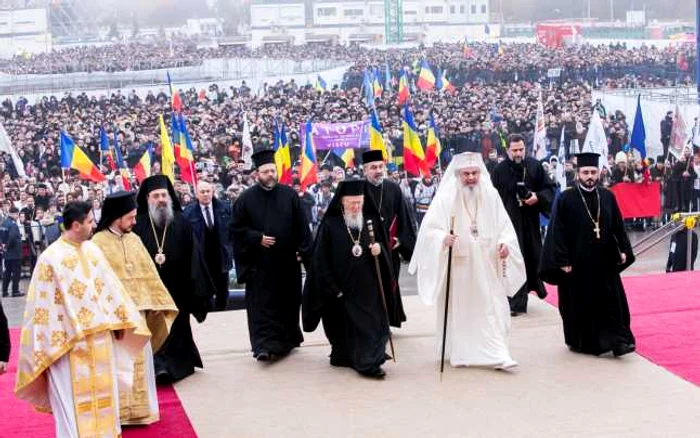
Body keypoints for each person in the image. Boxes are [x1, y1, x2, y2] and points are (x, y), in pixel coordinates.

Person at [14, 201, 150, 438]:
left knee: (106, 403)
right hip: (68, 347)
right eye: (89, 222)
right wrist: (57, 340)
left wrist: (120, 322)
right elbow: (42, 309)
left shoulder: (92, 250)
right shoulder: (50, 259)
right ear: (76, 225)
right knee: (73, 409)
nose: (93, 225)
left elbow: (110, 290)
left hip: (101, 343)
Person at [408, 152, 526, 370]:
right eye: (466, 174)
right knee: (462, 311)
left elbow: (505, 228)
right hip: (459, 268)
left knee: (491, 309)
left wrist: (504, 244)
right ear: (458, 175)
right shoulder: (446, 198)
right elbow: (429, 230)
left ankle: (498, 352)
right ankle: (461, 353)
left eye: (475, 173)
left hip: (487, 265)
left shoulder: (491, 196)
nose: (471, 177)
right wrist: (443, 238)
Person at [92, 191, 179, 425]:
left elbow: (149, 276)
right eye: (130, 217)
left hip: (138, 315)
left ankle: (140, 412)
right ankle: (118, 414)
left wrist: (157, 303)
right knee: (117, 364)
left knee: (139, 363)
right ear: (116, 217)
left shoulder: (135, 240)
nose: (134, 221)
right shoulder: (96, 244)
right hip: (113, 319)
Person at [539, 153, 636, 357]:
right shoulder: (566, 198)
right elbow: (557, 232)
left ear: (599, 173)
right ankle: (585, 342)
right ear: (578, 174)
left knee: (613, 303)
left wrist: (624, 250)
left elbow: (618, 227)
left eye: (593, 172)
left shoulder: (607, 196)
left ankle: (619, 341)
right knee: (582, 307)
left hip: (604, 263)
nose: (590, 176)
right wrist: (562, 260)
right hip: (577, 266)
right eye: (585, 173)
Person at [302, 179, 393, 378]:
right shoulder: (330, 224)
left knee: (371, 326)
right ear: (342, 201)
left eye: (359, 202)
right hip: (341, 291)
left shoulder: (370, 220)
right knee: (345, 331)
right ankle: (350, 356)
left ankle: (369, 362)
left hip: (368, 287)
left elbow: (382, 247)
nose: (356, 207)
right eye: (352, 203)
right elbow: (320, 262)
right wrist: (333, 288)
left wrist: (379, 250)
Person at [231, 150, 313, 361]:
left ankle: (286, 341)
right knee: (263, 308)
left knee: (287, 304)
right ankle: (263, 347)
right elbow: (236, 230)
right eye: (265, 171)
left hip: (286, 264)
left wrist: (302, 252)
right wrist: (256, 238)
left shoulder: (290, 195)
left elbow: (302, 227)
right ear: (257, 174)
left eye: (272, 170)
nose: (270, 174)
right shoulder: (245, 199)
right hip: (261, 266)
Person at [133, 175, 214, 383]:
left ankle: (178, 364)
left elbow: (194, 255)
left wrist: (195, 284)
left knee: (177, 327)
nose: (161, 199)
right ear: (147, 198)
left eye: (164, 195)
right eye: (156, 195)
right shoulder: (138, 223)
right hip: (148, 289)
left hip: (178, 286)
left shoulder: (181, 221)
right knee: (154, 327)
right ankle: (158, 365)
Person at [491, 134, 555, 316]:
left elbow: (549, 188)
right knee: (511, 260)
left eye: (521, 150)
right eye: (515, 150)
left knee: (529, 258)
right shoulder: (498, 171)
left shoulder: (535, 166)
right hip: (508, 224)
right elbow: (491, 198)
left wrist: (538, 197)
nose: (518, 154)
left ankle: (523, 295)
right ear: (508, 151)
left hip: (529, 223)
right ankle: (515, 301)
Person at [361, 149, 416, 327]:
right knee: (371, 287)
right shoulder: (359, 190)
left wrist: (401, 239)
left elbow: (404, 217)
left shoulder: (393, 188)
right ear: (364, 170)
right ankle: (376, 324)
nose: (378, 170)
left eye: (380, 166)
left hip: (390, 250)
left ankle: (388, 320)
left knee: (390, 284)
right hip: (368, 251)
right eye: (373, 167)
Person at [184, 181, 233, 311]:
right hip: (202, 261)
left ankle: (223, 317)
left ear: (212, 191)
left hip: (221, 258)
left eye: (208, 191)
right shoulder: (189, 213)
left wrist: (230, 250)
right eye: (202, 192)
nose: (205, 194)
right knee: (206, 294)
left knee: (223, 292)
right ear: (196, 194)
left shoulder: (225, 208)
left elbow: (232, 232)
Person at [2, 207, 23, 297]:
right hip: (14, 252)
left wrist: (4, 246)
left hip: (6, 253)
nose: (18, 217)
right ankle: (15, 291)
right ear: (14, 214)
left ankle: (4, 291)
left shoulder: (4, 223)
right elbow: (12, 237)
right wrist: (8, 246)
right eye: (17, 214)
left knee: (7, 272)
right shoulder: (13, 224)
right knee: (16, 272)